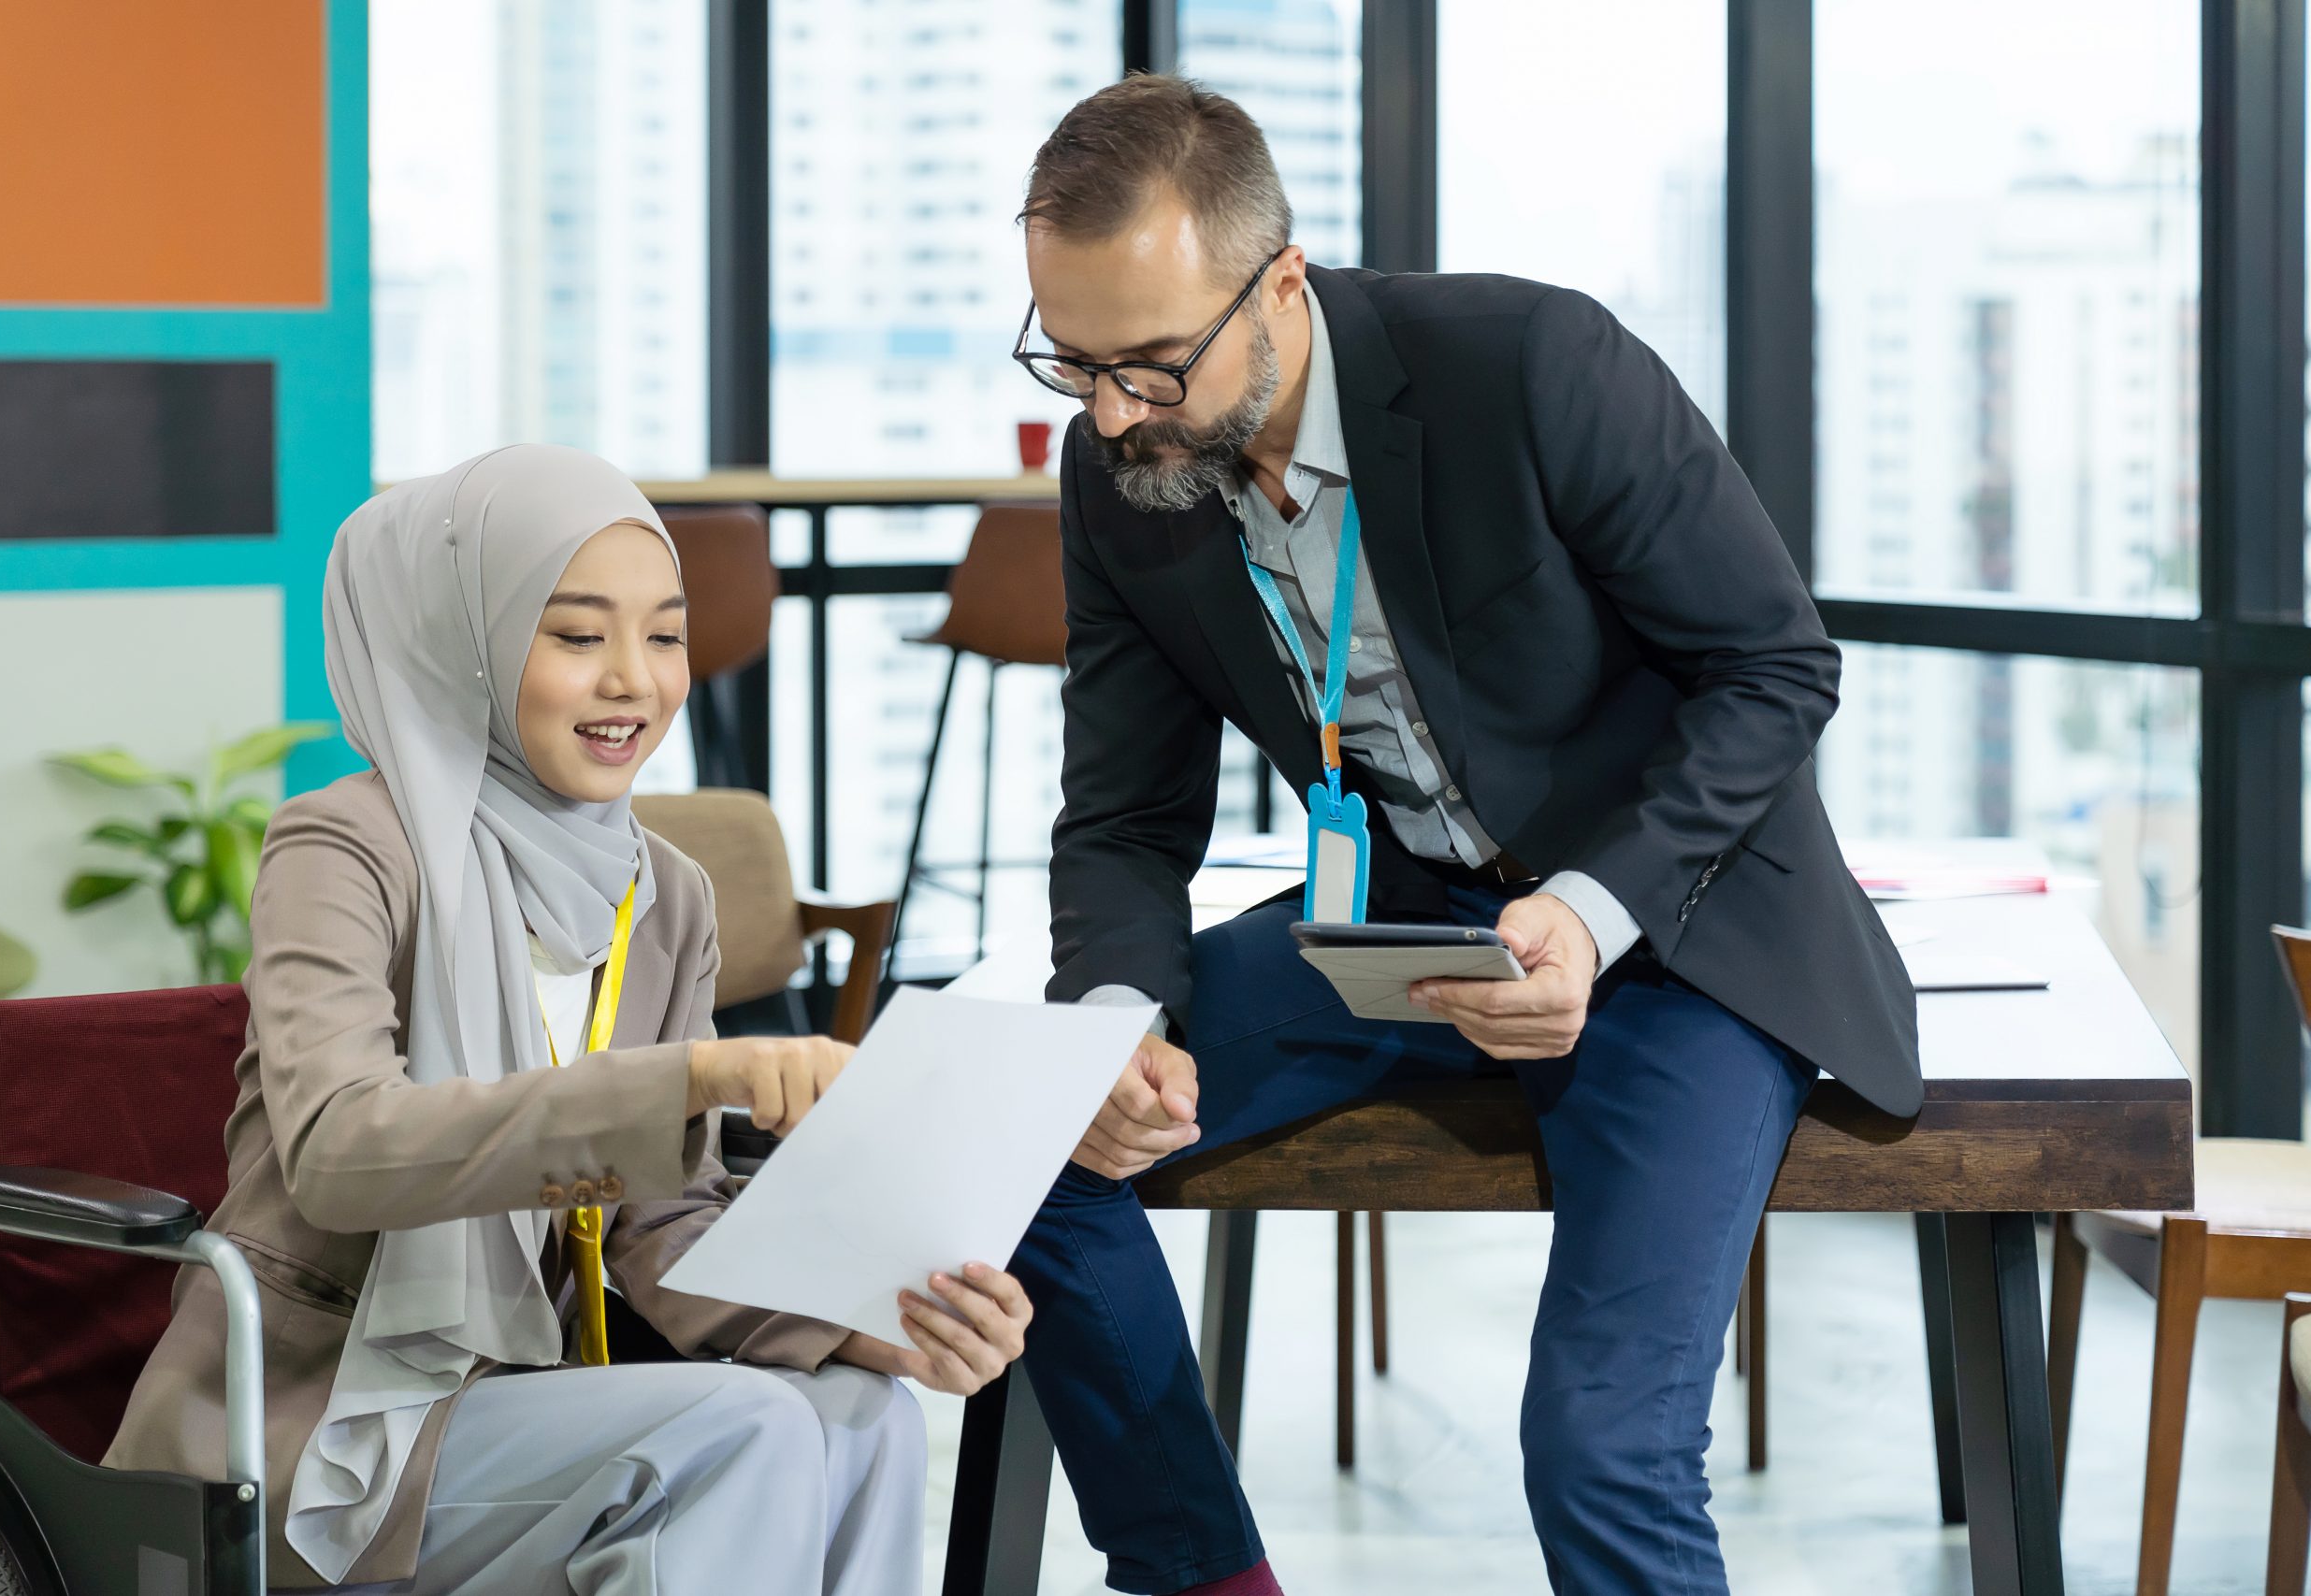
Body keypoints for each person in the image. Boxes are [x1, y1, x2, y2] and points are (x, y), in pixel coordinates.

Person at [1004, 77, 1920, 1596]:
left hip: (1669, 938)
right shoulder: (1120, 480)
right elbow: (1122, 813)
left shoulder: (1532, 363)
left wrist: (1592, 906)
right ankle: (1206, 1577)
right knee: (1023, 1150)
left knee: (1600, 1446)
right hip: (1405, 924)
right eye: (1071, 363)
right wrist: (1115, 1021)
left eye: (1153, 367)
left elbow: (1776, 667)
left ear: (1279, 282)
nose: (1110, 418)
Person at [105, 445, 1032, 1594]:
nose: (634, 681)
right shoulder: (344, 846)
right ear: (470, 644)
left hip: (526, 1397)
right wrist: (693, 1076)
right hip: (322, 1423)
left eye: (665, 635)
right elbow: (342, 1151)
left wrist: (854, 1321)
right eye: (579, 637)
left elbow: (657, 1226)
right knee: (740, 1427)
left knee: (861, 1412)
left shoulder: (666, 893)